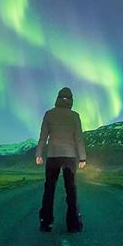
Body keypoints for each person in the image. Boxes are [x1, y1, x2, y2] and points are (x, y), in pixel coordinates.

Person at [36, 86, 87, 233]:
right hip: (70, 157)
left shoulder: (49, 114)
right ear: (71, 100)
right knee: (71, 190)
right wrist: (82, 158)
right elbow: (78, 138)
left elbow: (43, 136)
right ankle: (73, 225)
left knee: (49, 189)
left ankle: (46, 223)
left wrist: (38, 154)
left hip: (53, 155)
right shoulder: (75, 116)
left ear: (57, 98)